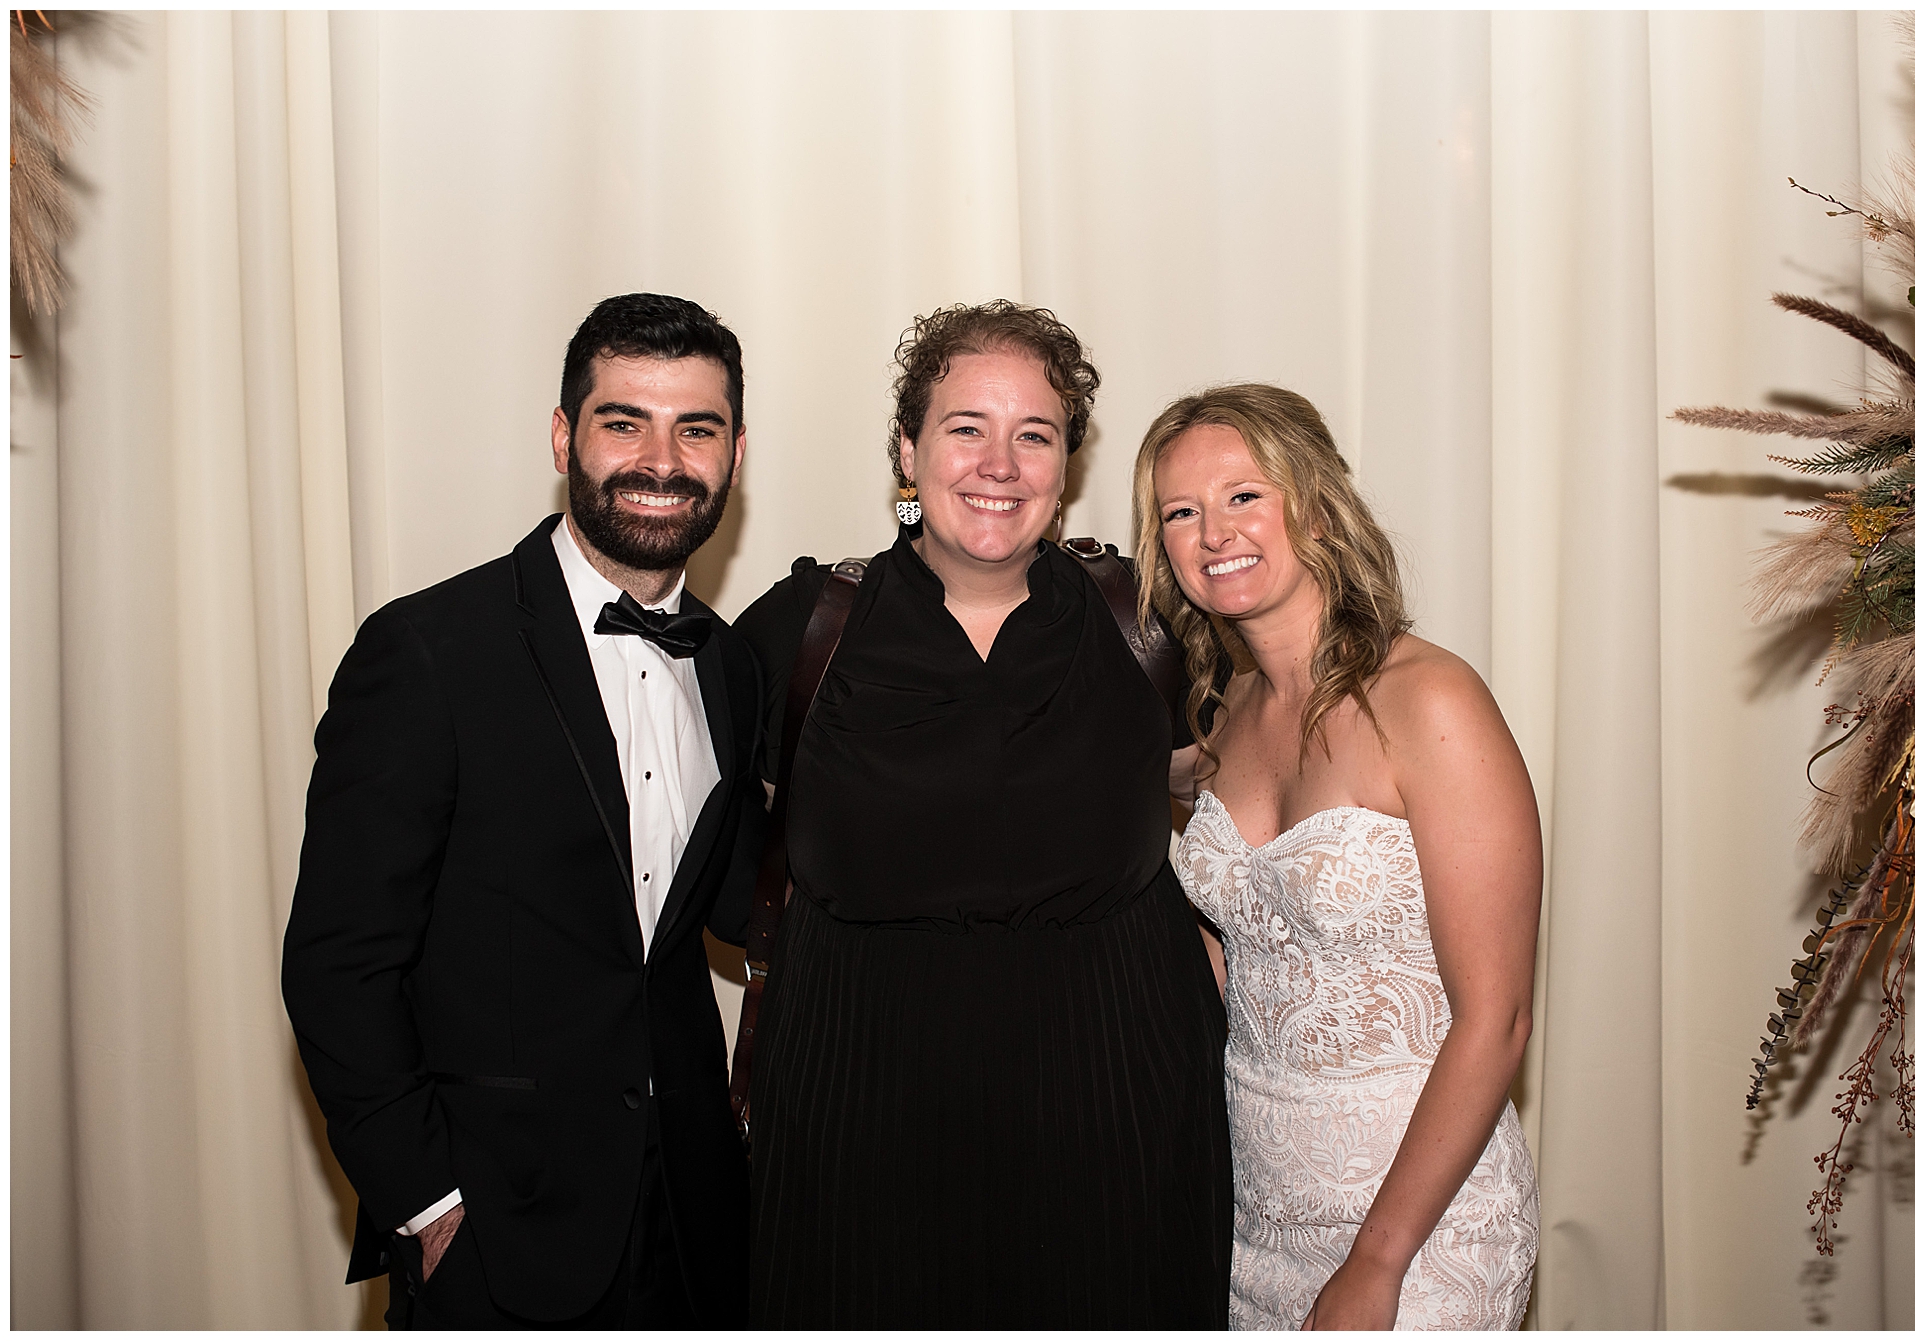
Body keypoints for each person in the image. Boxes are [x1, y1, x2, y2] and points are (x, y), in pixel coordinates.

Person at [734, 301, 1232, 1328]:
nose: (999, 464)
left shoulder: (1145, 623)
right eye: (966, 428)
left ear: (1066, 466)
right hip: (856, 1114)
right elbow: (705, 845)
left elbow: (1242, 788)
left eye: (1033, 435)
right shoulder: (806, 628)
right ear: (907, 452)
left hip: (1116, 1106)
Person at [282, 293, 766, 1328]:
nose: (662, 460)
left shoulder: (731, 665)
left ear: (734, 454)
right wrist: (428, 1204)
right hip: (497, 1229)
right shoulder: (428, 651)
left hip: (694, 1227)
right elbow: (338, 964)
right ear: (563, 437)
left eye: (696, 429)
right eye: (624, 421)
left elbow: (731, 910)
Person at [1136, 383, 1541, 1331]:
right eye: (1181, 513)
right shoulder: (1223, 718)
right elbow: (1246, 957)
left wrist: (1378, 1260)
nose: (1213, 532)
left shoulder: (1431, 702)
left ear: (1316, 508)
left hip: (1422, 1224)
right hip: (1255, 1211)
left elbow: (1499, 1017)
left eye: (1245, 496)